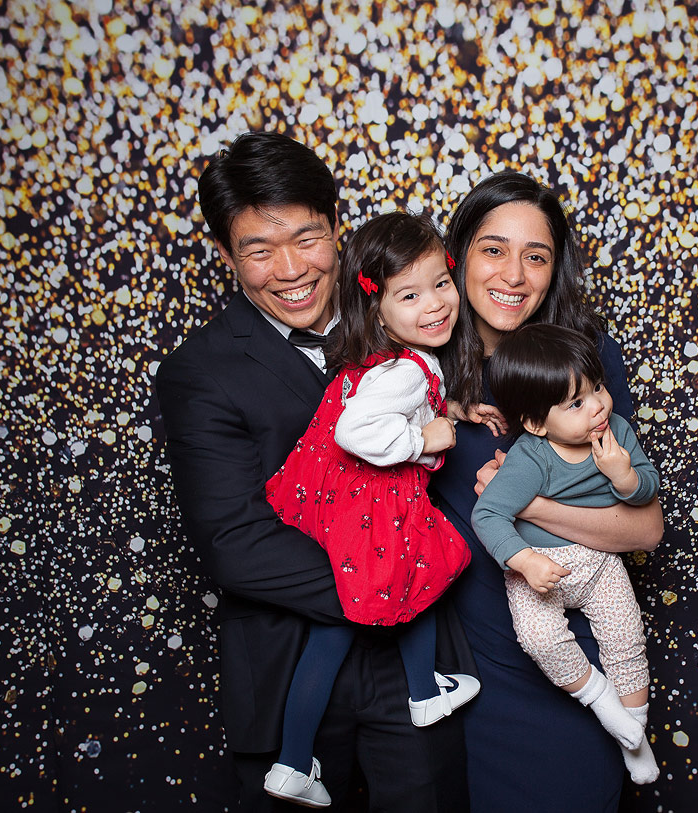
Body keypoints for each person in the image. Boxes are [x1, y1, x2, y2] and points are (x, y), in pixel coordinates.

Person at [155, 132, 473, 812]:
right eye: (259, 249)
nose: (290, 268)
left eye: (307, 238)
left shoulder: (411, 319)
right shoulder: (198, 372)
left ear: (338, 224)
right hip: (289, 668)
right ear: (224, 256)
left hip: (414, 670)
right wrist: (388, 585)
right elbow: (237, 545)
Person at [432, 171, 664, 812]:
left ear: (554, 269)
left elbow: (645, 529)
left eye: (536, 256)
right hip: (453, 671)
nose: (513, 274)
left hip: (567, 660)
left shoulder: (584, 359)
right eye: (493, 249)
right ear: (457, 256)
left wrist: (528, 504)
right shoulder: (413, 363)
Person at [261, 212, 480, 806]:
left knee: (331, 636)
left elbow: (402, 403)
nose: (435, 305)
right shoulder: (402, 370)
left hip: (336, 504)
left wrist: (455, 413)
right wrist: (423, 441)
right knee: (428, 571)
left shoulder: (389, 360)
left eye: (442, 283)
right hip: (372, 508)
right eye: (410, 295)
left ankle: (291, 762)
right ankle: (423, 690)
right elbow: (361, 431)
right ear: (376, 306)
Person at [471, 323, 660, 786]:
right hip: (539, 564)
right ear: (537, 423)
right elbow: (488, 515)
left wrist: (625, 477)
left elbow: (648, 493)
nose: (597, 405)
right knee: (540, 639)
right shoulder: (529, 458)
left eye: (597, 388)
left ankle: (634, 734)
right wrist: (524, 561)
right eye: (576, 403)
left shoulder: (615, 432)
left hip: (598, 563)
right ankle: (603, 703)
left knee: (625, 637)